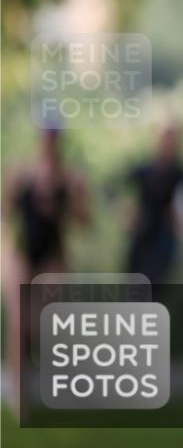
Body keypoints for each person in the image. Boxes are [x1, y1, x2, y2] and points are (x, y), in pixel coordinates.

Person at [1, 126, 90, 411]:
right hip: (22, 254)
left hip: (53, 256)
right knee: (18, 323)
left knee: (43, 323)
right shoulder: (21, 173)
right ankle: (18, 395)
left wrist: (72, 200)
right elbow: (5, 215)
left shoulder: (71, 178)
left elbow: (84, 223)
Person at [118, 123, 183, 284]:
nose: (167, 143)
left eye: (172, 139)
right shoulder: (144, 170)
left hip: (164, 244)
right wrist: (126, 210)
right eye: (165, 138)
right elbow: (114, 188)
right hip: (141, 240)